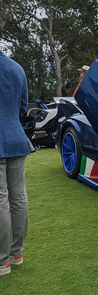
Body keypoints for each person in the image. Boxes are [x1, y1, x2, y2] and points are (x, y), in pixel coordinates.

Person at [0, 52, 30, 276]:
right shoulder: (17, 68)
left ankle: (2, 262)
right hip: (17, 139)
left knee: (1, 198)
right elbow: (23, 107)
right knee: (18, 196)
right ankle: (16, 253)